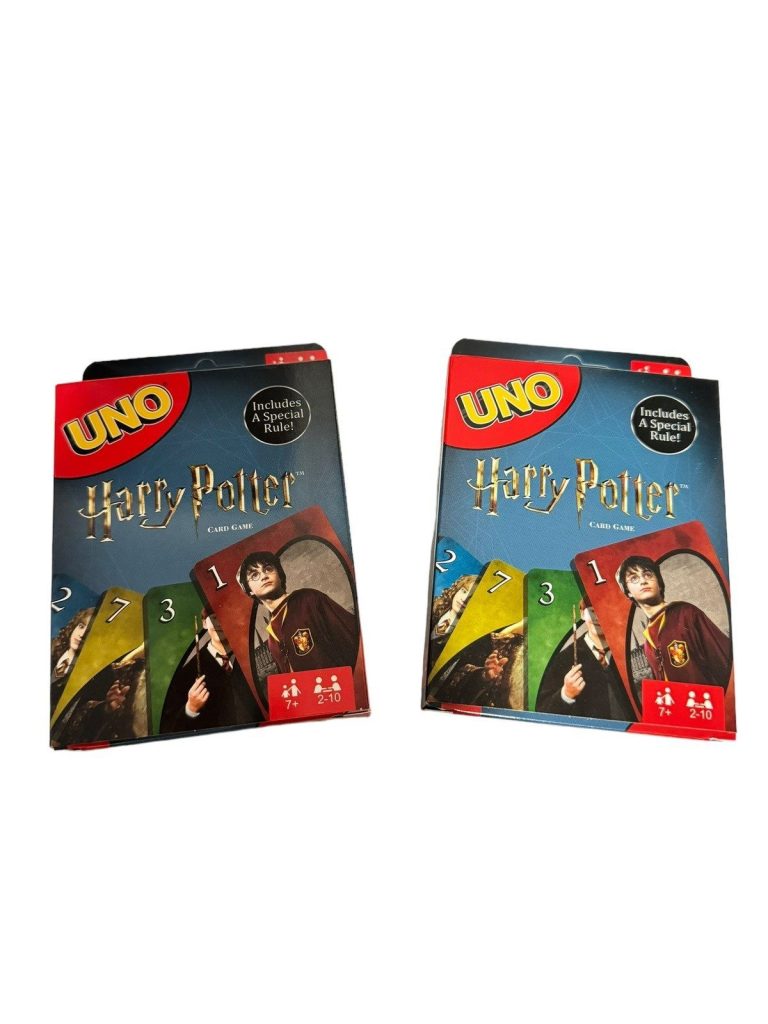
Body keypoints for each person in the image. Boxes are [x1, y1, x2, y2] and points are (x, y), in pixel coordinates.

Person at [616, 554, 731, 688]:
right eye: (634, 578)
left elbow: (725, 660)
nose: (643, 581)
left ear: (659, 584)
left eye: (648, 575)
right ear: (628, 592)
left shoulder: (686, 614)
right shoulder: (648, 643)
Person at [237, 550, 358, 674]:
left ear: (279, 574)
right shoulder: (271, 638)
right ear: (249, 590)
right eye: (254, 575)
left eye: (268, 569)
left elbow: (352, 639)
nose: (264, 576)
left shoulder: (309, 600)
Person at [159, 609, 264, 733]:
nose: (219, 623)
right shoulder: (186, 674)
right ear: (204, 623)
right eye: (214, 618)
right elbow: (169, 729)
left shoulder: (253, 657)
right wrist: (190, 708)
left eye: (224, 618)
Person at [536, 600, 636, 721]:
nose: (598, 617)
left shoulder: (628, 651)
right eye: (593, 611)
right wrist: (566, 694)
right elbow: (541, 711)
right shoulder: (562, 659)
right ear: (582, 614)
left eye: (604, 611)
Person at [50, 607, 94, 716]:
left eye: (89, 631)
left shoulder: (86, 676)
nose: (81, 634)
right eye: (81, 626)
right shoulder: (50, 647)